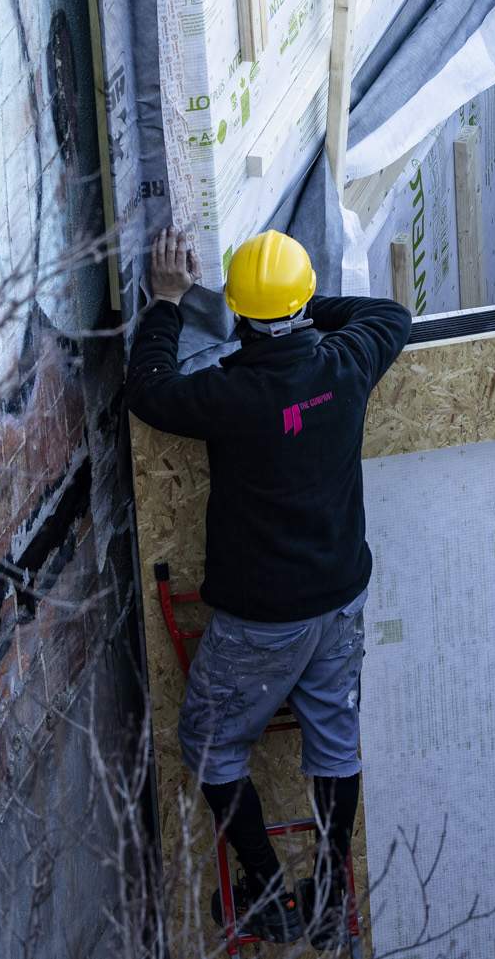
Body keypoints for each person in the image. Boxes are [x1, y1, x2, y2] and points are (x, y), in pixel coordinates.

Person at [127, 228, 411, 952]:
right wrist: (308, 303)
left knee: (211, 744)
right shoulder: (348, 362)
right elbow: (389, 315)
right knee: (334, 743)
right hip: (340, 599)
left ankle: (267, 889)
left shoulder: (233, 394)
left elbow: (150, 388)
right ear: (302, 302)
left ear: (243, 317)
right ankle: (330, 890)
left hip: (263, 623)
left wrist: (165, 300)